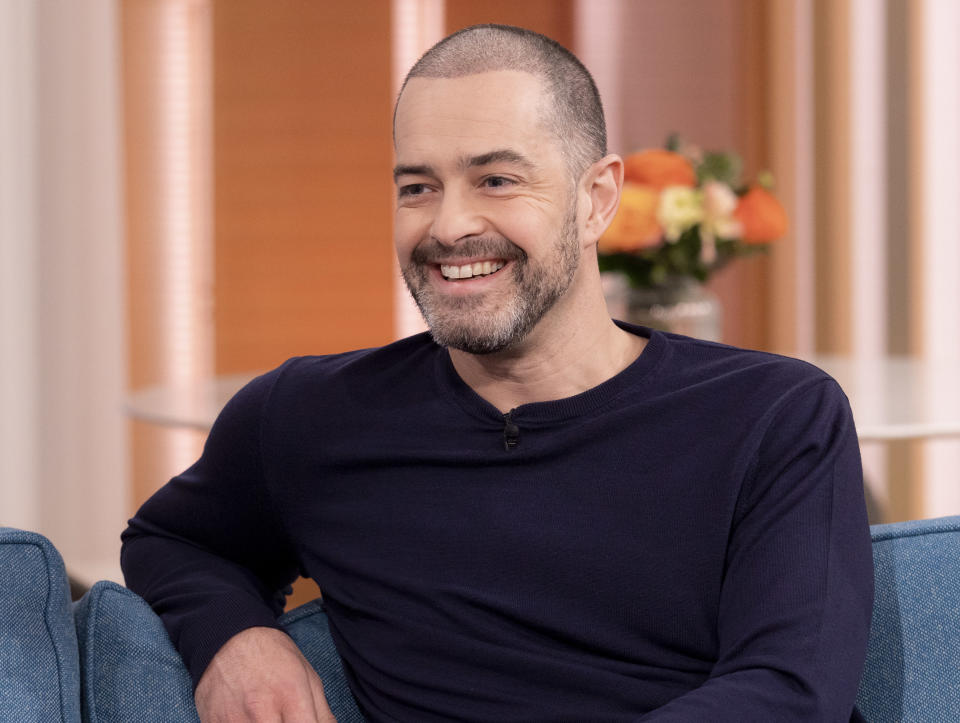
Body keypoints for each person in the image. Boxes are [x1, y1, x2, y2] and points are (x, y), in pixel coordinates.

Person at [121, 24, 874, 722]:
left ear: (596, 198)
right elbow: (171, 540)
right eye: (417, 186)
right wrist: (237, 639)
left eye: (497, 180)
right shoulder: (310, 416)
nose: (448, 226)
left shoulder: (773, 416)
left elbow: (788, 690)